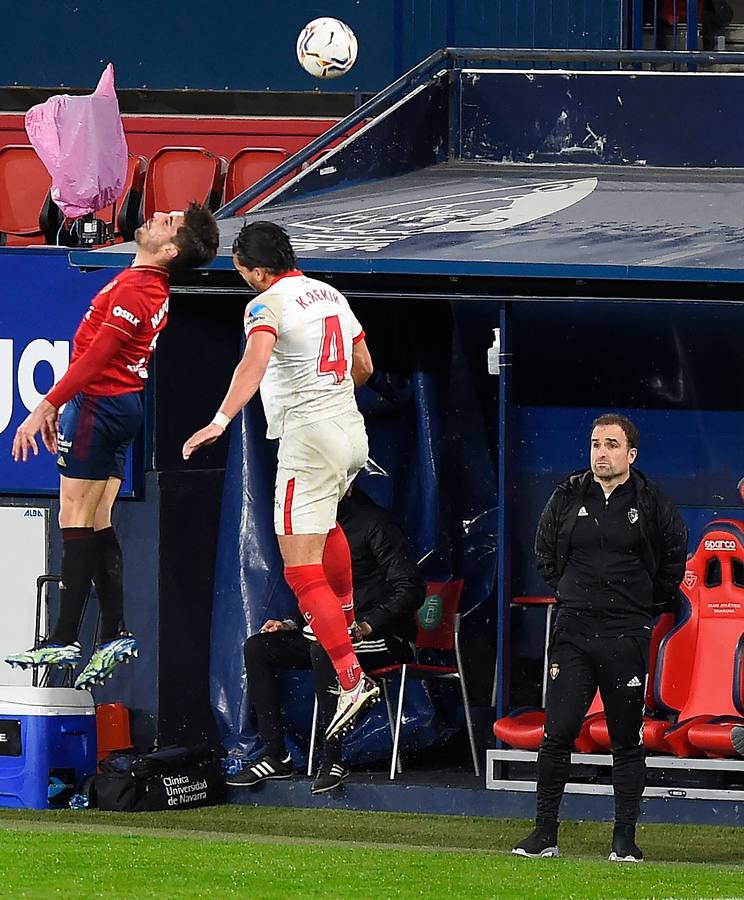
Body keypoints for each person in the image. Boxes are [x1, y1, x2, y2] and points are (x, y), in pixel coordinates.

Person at [7, 203, 219, 690]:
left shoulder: (134, 289)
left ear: (169, 250)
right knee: (98, 519)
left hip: (99, 406)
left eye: (167, 223)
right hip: (122, 406)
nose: (156, 216)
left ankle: (63, 636)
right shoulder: (151, 286)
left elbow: (100, 354)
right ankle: (115, 630)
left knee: (72, 516)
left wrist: (47, 403)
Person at [182, 221, 379, 741]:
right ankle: (345, 621)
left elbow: (254, 361)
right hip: (350, 431)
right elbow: (363, 365)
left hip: (308, 437)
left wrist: (219, 421)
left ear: (258, 270)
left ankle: (350, 680)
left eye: (240, 268)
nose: (240, 276)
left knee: (299, 573)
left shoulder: (264, 304)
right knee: (328, 525)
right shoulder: (331, 293)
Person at [513, 413, 687, 863]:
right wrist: (571, 594)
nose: (601, 453)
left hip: (626, 634)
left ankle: (624, 838)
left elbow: (672, 559)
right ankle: (544, 834)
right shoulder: (568, 494)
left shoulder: (650, 501)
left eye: (611, 444)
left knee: (626, 738)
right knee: (558, 733)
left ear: (631, 454)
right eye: (595, 444)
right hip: (573, 632)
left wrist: (642, 608)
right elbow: (545, 553)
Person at [227, 486, 426, 794]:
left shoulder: (374, 523)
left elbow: (411, 587)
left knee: (326, 651)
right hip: (330, 634)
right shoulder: (314, 529)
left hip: (385, 639)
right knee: (258, 648)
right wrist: (290, 622)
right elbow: (314, 588)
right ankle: (275, 755)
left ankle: (333, 759)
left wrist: (366, 626)